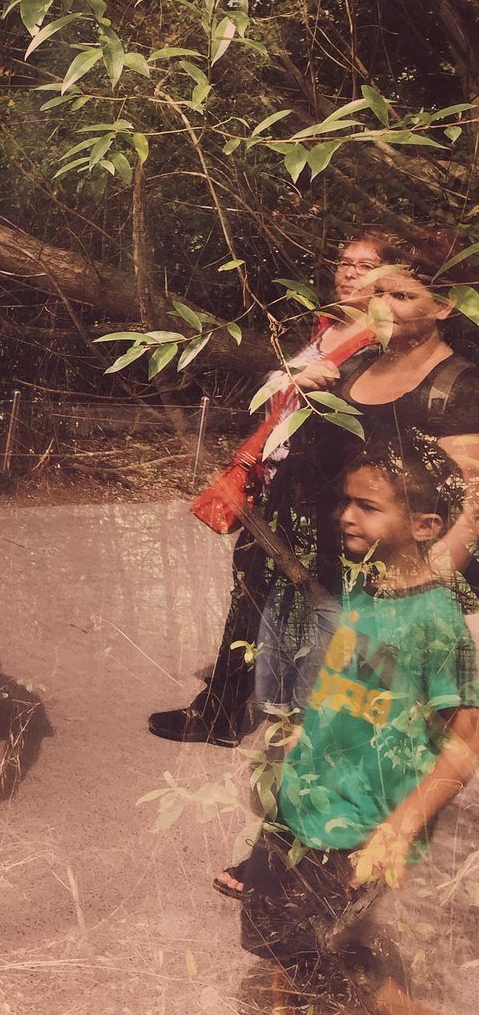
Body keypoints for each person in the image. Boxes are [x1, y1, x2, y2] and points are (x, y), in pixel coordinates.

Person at [210, 445, 479, 1015]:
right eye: (343, 502)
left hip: (365, 818)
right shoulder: (363, 587)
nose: (346, 517)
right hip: (306, 799)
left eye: (368, 506)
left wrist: (399, 828)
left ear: (424, 525)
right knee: (282, 931)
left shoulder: (438, 621)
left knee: (309, 944)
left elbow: (465, 744)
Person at [150, 233, 389, 749]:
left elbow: (370, 417)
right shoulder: (329, 326)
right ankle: (227, 711)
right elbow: (282, 391)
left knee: (311, 600)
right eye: (344, 262)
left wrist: (332, 386)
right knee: (258, 592)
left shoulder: (378, 346)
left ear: (390, 278)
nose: (348, 274)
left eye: (365, 265)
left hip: (321, 493)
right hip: (283, 479)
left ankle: (306, 721)